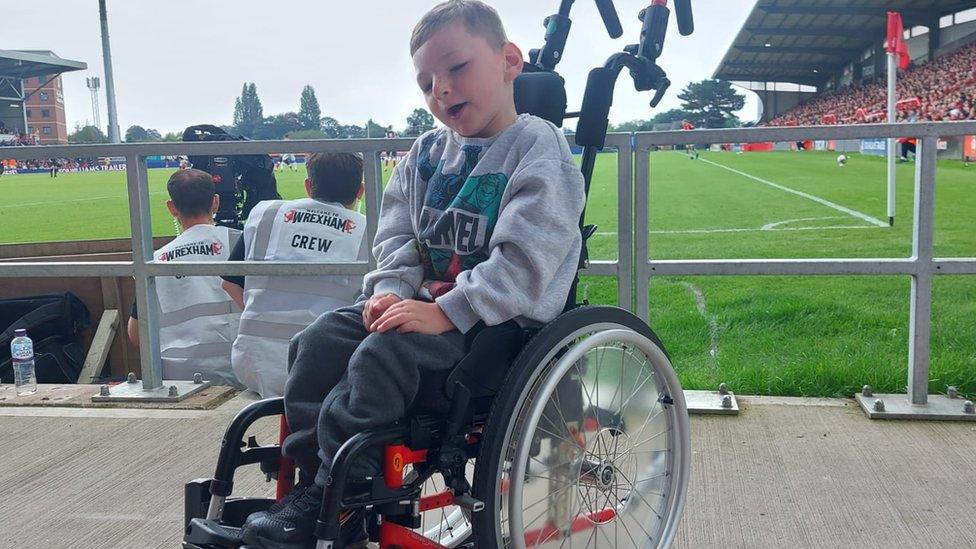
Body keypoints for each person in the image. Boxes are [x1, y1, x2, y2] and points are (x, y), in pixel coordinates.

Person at [240, 1, 586, 547]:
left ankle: (345, 489)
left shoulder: (539, 150)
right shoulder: (424, 154)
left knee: (383, 356)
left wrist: (445, 311)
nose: (440, 89)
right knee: (319, 339)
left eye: (456, 68)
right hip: (422, 308)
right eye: (426, 82)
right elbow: (397, 240)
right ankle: (313, 484)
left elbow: (523, 265)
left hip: (496, 325)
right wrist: (388, 294)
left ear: (509, 61)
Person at [220, 152, 368, 398]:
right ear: (360, 190)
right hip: (327, 369)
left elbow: (229, 282)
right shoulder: (368, 230)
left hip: (253, 364)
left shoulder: (266, 215)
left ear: (308, 186)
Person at [127, 169, 242, 387]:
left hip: (178, 379)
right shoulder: (241, 242)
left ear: (172, 208)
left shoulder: (155, 260)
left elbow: (136, 334)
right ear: (215, 202)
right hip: (238, 373)